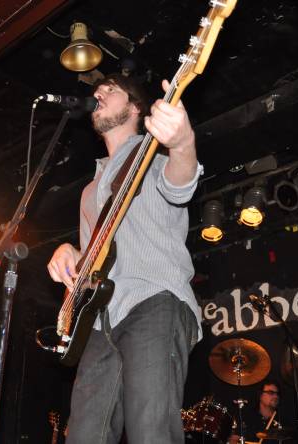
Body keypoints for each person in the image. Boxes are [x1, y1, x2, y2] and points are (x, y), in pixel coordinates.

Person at [47, 73, 202, 444]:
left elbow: (180, 185)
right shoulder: (89, 189)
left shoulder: (151, 153)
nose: (97, 92)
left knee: (152, 431)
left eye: (110, 89)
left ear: (135, 108)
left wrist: (182, 143)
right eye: (97, 90)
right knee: (83, 435)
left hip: (154, 300)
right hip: (99, 320)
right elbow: (95, 258)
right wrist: (70, 252)